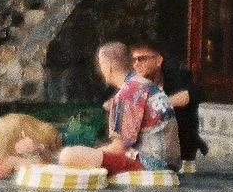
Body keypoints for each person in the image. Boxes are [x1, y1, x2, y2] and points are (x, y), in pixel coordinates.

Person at [58, 41, 176, 175]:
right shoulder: (148, 85)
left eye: (101, 64)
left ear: (109, 67)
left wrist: (90, 153)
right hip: (169, 162)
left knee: (68, 155)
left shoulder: (126, 94)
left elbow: (118, 149)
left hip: (150, 164)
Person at [130, 43, 206, 170]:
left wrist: (155, 105)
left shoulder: (175, 76)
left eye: (142, 59)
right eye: (133, 60)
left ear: (158, 60)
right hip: (146, 149)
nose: (136, 64)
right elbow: (107, 101)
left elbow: (193, 93)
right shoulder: (133, 81)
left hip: (180, 151)